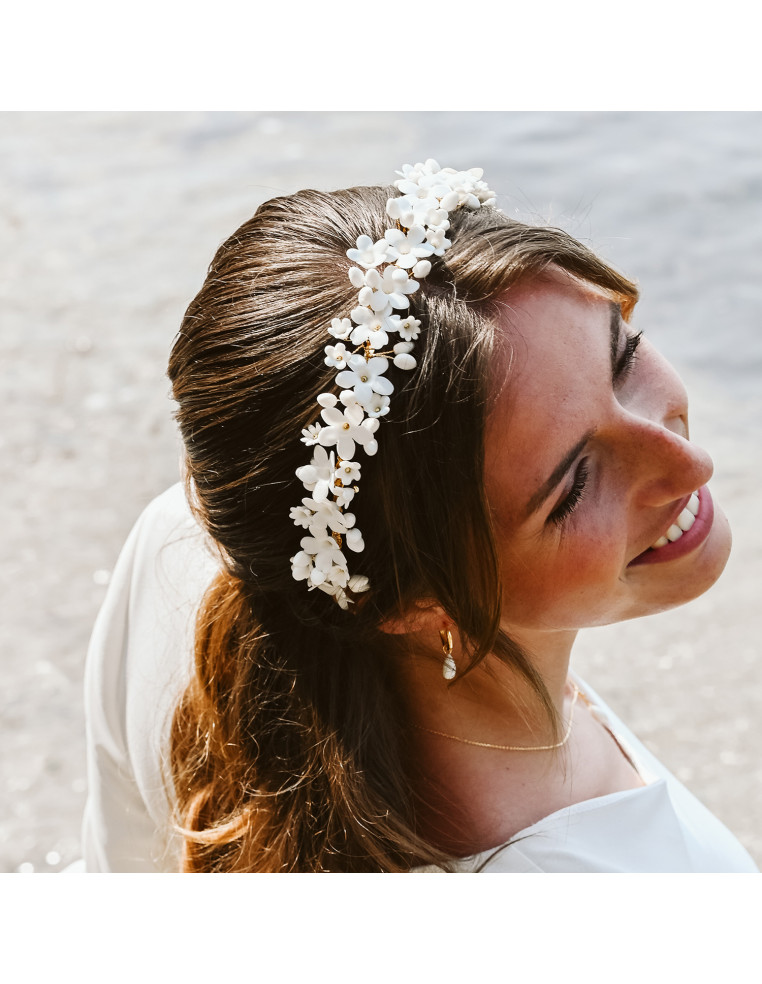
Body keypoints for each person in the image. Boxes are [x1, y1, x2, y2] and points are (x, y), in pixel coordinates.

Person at [81, 161, 757, 873]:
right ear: (409, 598)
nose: (690, 465)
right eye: (574, 486)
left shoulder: (185, 555)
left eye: (623, 356)